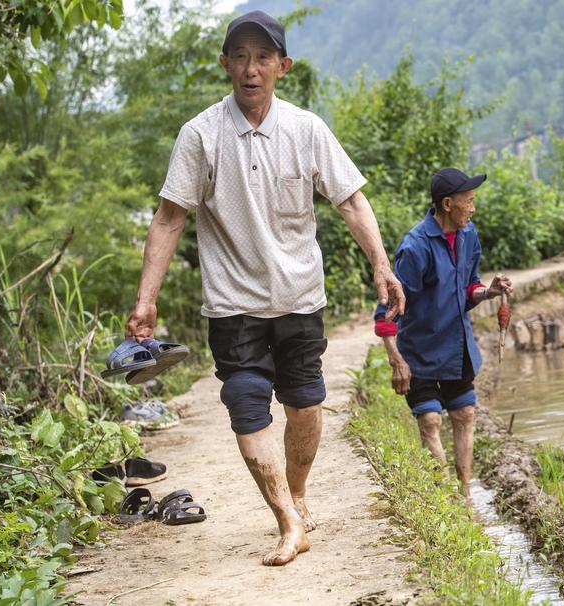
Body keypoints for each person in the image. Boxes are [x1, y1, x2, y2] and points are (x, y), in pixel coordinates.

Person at [123, 10, 404, 566]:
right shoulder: (200, 135)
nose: (251, 69)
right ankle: (287, 520)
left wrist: (381, 264)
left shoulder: (306, 129)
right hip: (233, 305)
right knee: (244, 400)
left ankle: (297, 493)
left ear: (282, 66)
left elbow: (350, 200)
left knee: (305, 404)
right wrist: (145, 299)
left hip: (300, 296)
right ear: (225, 63)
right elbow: (169, 218)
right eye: (241, 57)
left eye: (263, 58)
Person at [374, 168, 512, 498]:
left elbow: (468, 289)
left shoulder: (469, 236)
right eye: (469, 201)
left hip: (456, 345)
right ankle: (445, 496)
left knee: (464, 413)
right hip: (419, 350)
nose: (473, 208)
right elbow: (387, 311)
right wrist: (396, 360)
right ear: (448, 204)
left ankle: (464, 494)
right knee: (431, 420)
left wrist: (488, 292)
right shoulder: (416, 248)